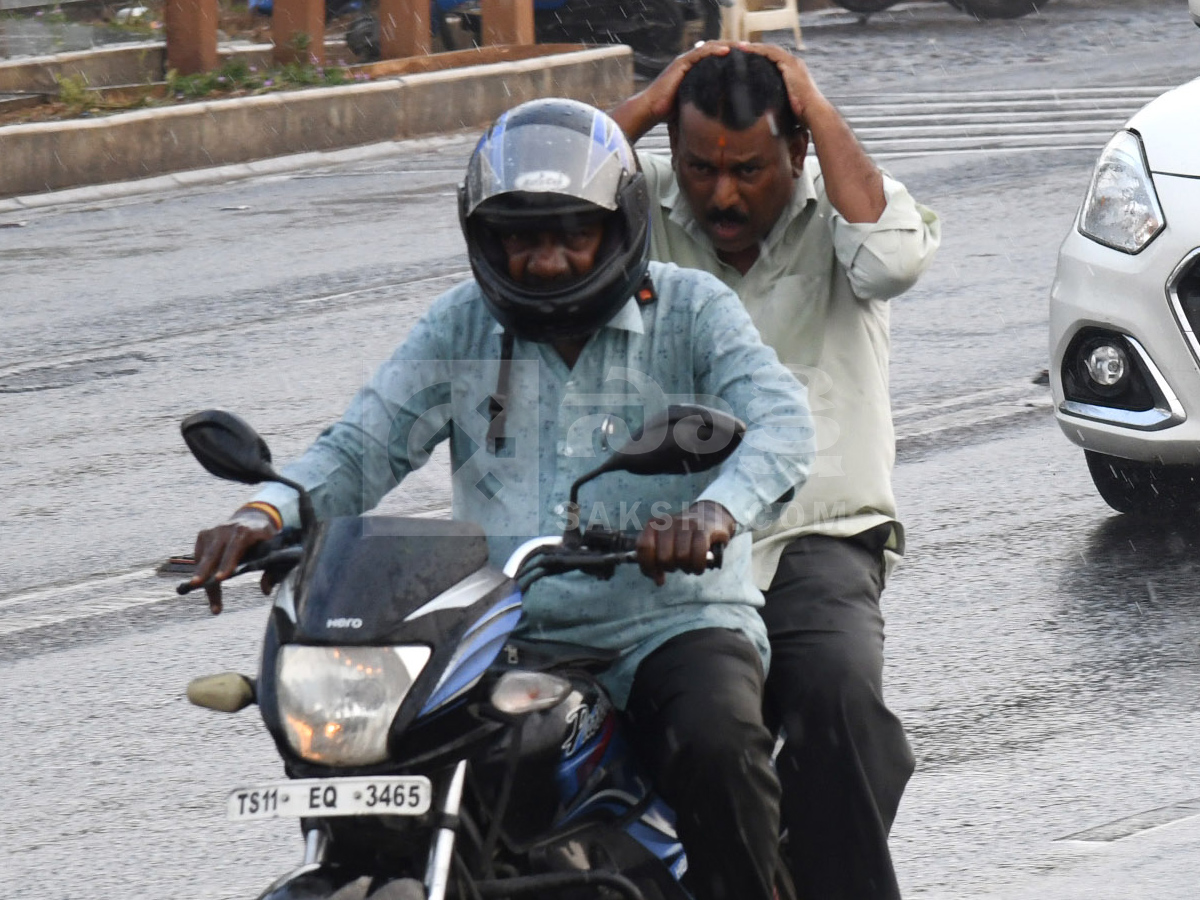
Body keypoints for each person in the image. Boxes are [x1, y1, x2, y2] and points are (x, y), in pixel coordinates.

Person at [187, 99, 815, 900]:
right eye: (521, 236)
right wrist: (265, 514)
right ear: (486, 238)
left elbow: (783, 423)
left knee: (718, 742)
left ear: (618, 227)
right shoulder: (460, 326)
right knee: (393, 759)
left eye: (569, 233)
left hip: (671, 625)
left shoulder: (692, 310)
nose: (545, 260)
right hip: (501, 634)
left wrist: (714, 513)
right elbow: (361, 446)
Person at [611, 43, 942, 900]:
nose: (721, 194)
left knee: (839, 703)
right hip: (673, 542)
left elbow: (893, 261)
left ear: (794, 151)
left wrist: (815, 102)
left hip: (817, 535)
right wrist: (650, 102)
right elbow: (530, 205)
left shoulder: (840, 204)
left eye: (749, 169)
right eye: (699, 169)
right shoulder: (641, 200)